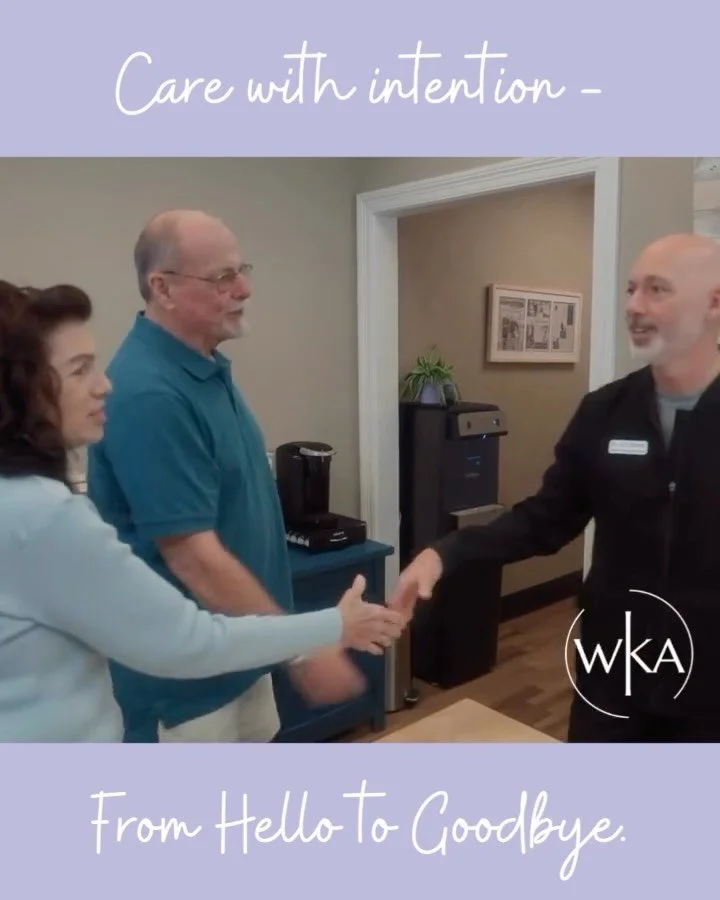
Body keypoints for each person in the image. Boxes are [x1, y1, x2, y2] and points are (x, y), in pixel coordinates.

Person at [0, 280, 405, 742]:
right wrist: (330, 628)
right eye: (79, 370)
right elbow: (185, 637)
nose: (103, 385)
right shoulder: (45, 515)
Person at [391, 233, 720, 742]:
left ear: (714, 303)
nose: (634, 306)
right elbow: (544, 519)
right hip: (615, 672)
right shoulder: (605, 411)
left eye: (657, 290)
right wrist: (445, 553)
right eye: (631, 289)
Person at [87, 209, 369, 743]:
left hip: (243, 655)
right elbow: (193, 558)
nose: (244, 289)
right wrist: (301, 648)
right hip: (186, 691)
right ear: (162, 287)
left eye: (242, 270)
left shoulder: (204, 368)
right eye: (222, 277)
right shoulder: (149, 391)